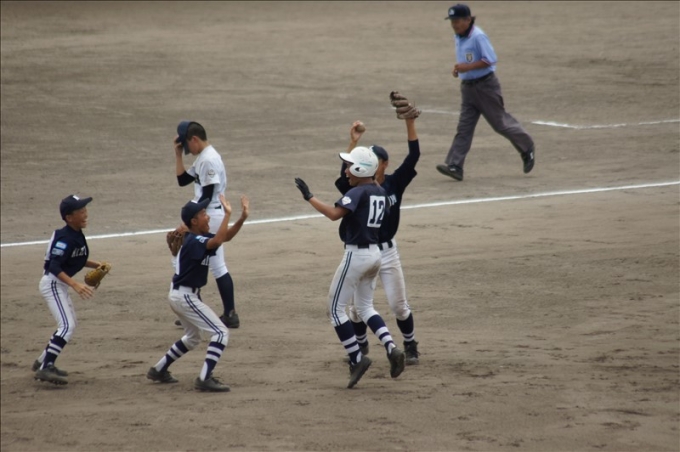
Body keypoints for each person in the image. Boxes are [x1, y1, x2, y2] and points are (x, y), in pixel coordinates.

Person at [295, 147, 406, 389]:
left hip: (356, 255)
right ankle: (391, 347)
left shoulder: (358, 191)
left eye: (348, 166)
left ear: (359, 169)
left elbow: (334, 214)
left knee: (335, 310)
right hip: (376, 254)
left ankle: (357, 358)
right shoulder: (380, 191)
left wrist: (309, 197)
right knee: (365, 307)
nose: (346, 171)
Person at [335, 117, 421, 366]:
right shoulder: (356, 187)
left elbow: (414, 156)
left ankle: (410, 344)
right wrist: (353, 142)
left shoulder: (395, 182)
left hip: (387, 252)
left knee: (399, 305)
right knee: (356, 308)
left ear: (384, 163)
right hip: (364, 251)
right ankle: (361, 346)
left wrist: (410, 122)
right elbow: (346, 172)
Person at [147, 194, 249, 392]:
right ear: (194, 221)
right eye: (203, 214)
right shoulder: (194, 241)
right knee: (220, 333)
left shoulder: (197, 238)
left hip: (180, 295)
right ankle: (204, 378)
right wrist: (227, 214)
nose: (208, 216)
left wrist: (242, 218)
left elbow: (225, 237)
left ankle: (158, 369)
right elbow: (217, 240)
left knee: (192, 337)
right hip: (185, 297)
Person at [436, 3, 535, 182]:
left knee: (500, 124)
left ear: (468, 20)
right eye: (452, 21)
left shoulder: (478, 36)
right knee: (464, 128)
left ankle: (527, 146)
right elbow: (466, 60)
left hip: (485, 87)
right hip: (468, 88)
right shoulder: (458, 36)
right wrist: (460, 70)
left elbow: (490, 60)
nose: (454, 25)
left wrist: (467, 67)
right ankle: (455, 166)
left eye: (457, 21)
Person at [33, 195, 110, 385]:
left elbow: (75, 259)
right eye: (80, 211)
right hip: (53, 283)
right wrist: (75, 284)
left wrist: (96, 264)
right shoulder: (65, 238)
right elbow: (54, 266)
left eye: (85, 210)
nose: (85, 214)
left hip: (59, 283)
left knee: (70, 323)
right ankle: (46, 367)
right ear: (69, 217)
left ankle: (42, 361)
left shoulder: (75, 234)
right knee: (66, 325)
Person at [174, 121, 240, 328]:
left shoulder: (209, 159)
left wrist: (189, 221)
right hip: (204, 213)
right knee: (200, 261)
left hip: (208, 215)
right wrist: (177, 155)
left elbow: (207, 195)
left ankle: (203, 311)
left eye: (186, 144)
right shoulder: (203, 157)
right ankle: (223, 313)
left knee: (199, 261)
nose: (186, 148)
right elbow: (182, 180)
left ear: (194, 139)